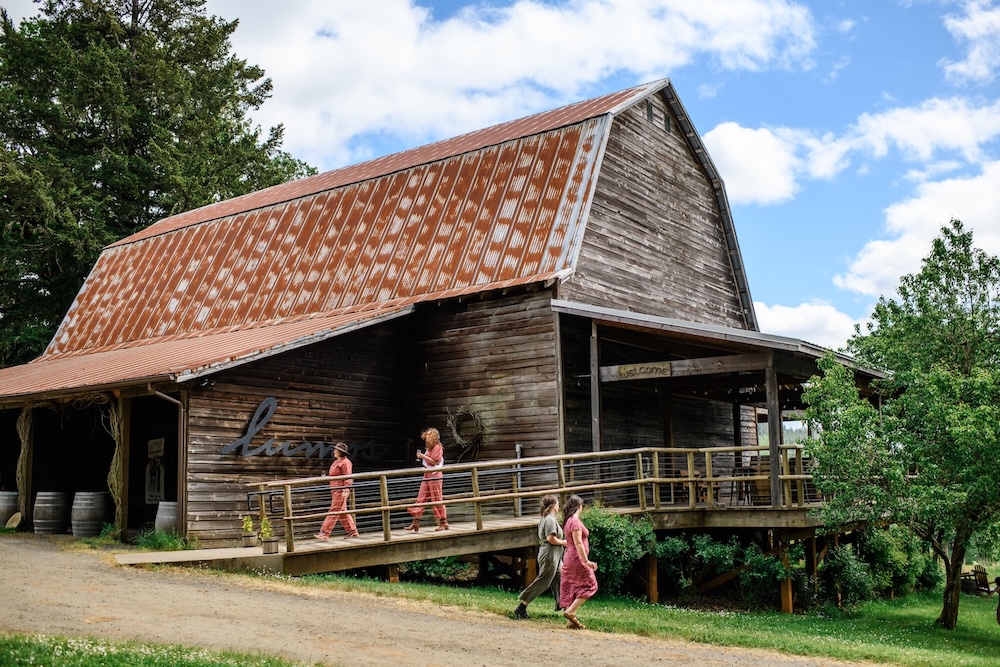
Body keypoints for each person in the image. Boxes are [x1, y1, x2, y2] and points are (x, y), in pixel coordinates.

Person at [514, 494, 567, 619]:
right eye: (558, 503)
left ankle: (561, 603)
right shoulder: (549, 520)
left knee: (561, 576)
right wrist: (563, 542)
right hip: (549, 554)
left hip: (555, 555)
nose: (559, 505)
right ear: (553, 505)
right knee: (544, 581)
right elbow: (550, 538)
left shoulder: (548, 518)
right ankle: (522, 606)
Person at [558, 494, 598, 629]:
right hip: (577, 559)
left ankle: (571, 622)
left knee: (573, 587)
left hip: (569, 557)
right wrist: (586, 561)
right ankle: (570, 612)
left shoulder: (568, 521)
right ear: (579, 507)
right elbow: (578, 543)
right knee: (591, 585)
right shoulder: (575, 522)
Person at [404, 427, 448, 532]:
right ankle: (415, 522)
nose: (427, 437)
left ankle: (443, 522)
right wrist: (423, 456)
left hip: (435, 475)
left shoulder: (437, 447)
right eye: (426, 435)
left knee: (437, 498)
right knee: (421, 497)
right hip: (427, 474)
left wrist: (423, 457)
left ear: (433, 436)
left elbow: (435, 462)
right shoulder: (429, 447)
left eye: (429, 435)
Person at [314, 442, 359, 540]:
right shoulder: (336, 462)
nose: (334, 451)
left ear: (340, 452)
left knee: (334, 510)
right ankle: (352, 531)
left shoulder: (345, 462)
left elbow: (348, 476)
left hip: (340, 490)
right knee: (342, 511)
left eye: (335, 450)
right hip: (334, 489)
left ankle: (324, 532)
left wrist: (346, 489)